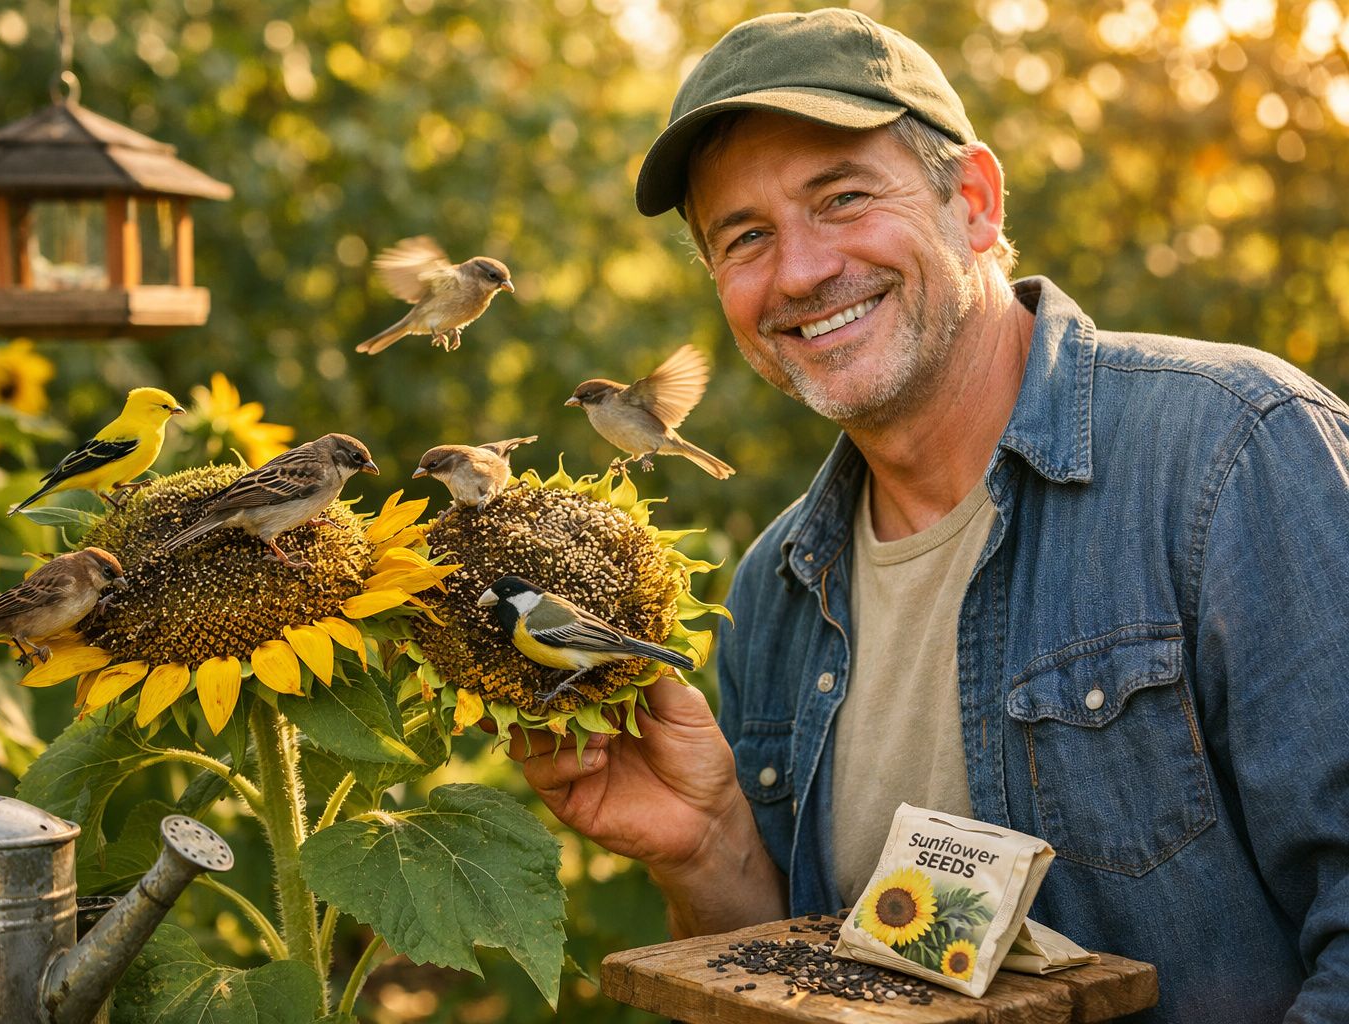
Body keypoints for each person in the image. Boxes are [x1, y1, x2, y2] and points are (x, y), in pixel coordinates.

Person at [507, 9, 1349, 1023]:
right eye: (746, 237)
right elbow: (807, 979)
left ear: (976, 203)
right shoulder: (775, 592)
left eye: (844, 197)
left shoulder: (1229, 453)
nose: (803, 271)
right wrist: (709, 847)